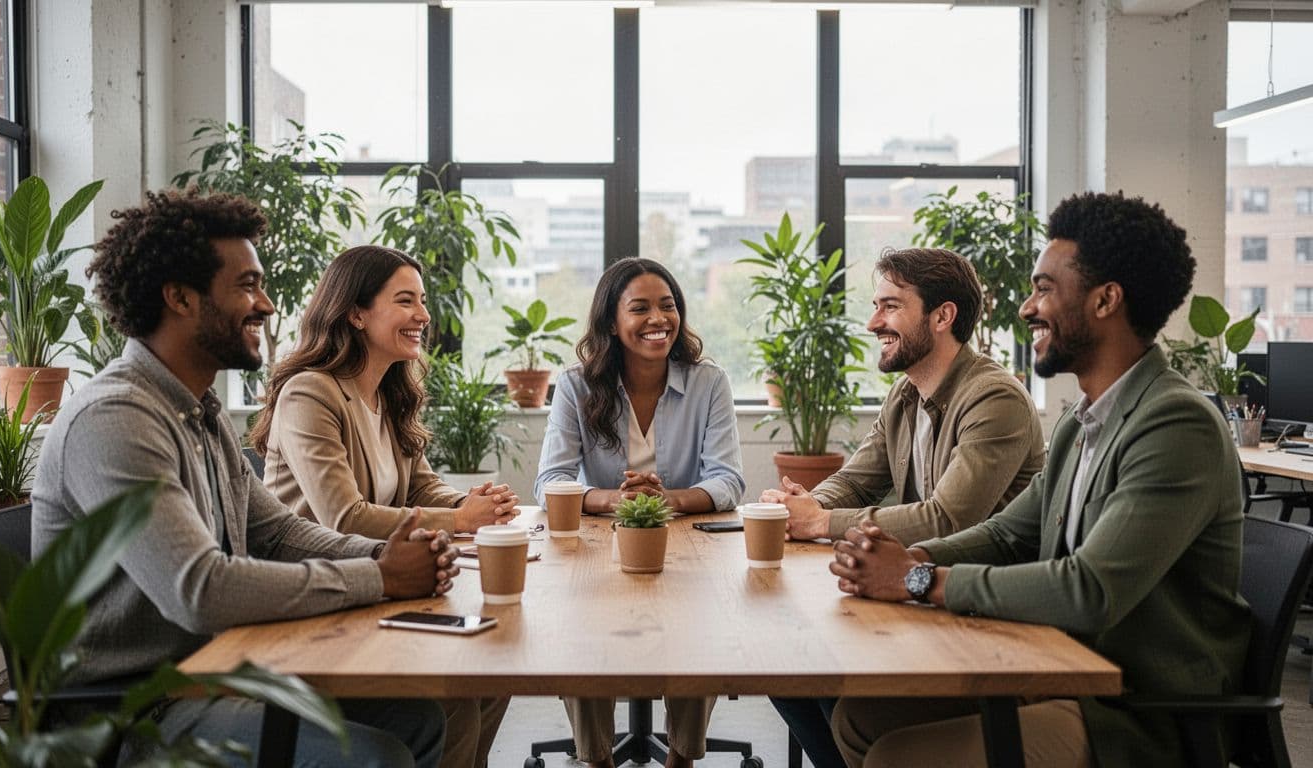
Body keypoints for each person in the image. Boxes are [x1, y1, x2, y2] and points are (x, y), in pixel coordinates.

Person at [32, 190, 459, 768]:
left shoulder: (198, 411)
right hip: (137, 709)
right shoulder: (116, 418)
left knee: (420, 718)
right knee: (378, 756)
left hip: (223, 667)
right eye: (246, 286)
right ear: (180, 298)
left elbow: (279, 533)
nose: (266, 304)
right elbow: (200, 590)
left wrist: (390, 552)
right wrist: (379, 576)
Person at [827, 191, 1251, 768]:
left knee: (897, 757)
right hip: (1057, 666)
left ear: (1106, 300)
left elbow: (1089, 590)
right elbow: (1007, 534)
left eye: (1045, 289)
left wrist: (920, 579)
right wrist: (906, 554)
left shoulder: (1176, 424)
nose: (1028, 308)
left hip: (1137, 707)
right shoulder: (1085, 420)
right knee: (859, 718)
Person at [762, 247, 1045, 768]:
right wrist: (801, 504)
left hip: (984, 609)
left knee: (818, 676)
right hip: (919, 592)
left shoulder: (994, 397)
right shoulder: (906, 394)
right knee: (788, 668)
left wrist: (820, 522)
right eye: (876, 306)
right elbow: (857, 479)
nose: (873, 323)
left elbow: (949, 518)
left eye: (890, 307)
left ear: (942, 316)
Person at [249, 244, 514, 768]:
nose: (423, 315)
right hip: (323, 595)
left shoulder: (388, 390)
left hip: (380, 587)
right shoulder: (310, 392)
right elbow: (344, 517)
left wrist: (471, 501)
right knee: (457, 693)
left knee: (495, 672)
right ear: (355, 312)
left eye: (422, 301)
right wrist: (461, 520)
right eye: (406, 301)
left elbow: (420, 488)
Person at [534, 257, 746, 768]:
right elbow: (549, 482)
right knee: (583, 630)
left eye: (668, 305)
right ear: (611, 321)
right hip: (598, 550)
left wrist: (664, 500)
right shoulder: (576, 385)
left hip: (685, 547)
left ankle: (681, 758)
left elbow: (729, 480)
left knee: (699, 626)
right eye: (641, 308)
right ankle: (598, 759)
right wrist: (614, 500)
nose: (659, 318)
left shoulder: (707, 382)